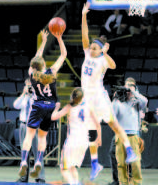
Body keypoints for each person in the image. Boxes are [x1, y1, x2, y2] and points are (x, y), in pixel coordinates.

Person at [82, 2, 138, 181]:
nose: (91, 49)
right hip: (88, 99)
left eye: (94, 48)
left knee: (113, 124)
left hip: (99, 97)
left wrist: (105, 54)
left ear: (100, 50)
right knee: (90, 132)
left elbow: (114, 65)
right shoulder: (87, 54)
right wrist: (84, 16)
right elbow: (84, 35)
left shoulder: (103, 60)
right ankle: (95, 164)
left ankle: (129, 151)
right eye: (91, 47)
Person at [19, 29, 67, 179]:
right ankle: (39, 160)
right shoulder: (51, 72)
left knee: (28, 136)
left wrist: (44, 42)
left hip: (37, 104)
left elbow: (36, 58)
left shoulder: (32, 74)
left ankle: (23, 161)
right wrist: (58, 38)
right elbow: (64, 55)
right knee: (42, 137)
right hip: (50, 107)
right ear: (44, 64)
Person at [51, 87, 102, 184]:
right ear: (83, 97)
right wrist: (99, 138)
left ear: (72, 96)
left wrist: (56, 108)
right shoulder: (88, 107)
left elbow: (53, 117)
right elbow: (98, 125)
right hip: (84, 141)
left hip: (73, 140)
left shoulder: (69, 107)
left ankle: (74, 183)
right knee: (72, 166)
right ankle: (76, 183)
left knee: (64, 167)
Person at [112, 78, 148, 185]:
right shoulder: (118, 101)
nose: (128, 88)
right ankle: (123, 183)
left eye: (131, 85)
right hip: (121, 135)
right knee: (121, 164)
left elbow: (145, 101)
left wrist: (133, 92)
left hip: (133, 135)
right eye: (127, 86)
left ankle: (137, 183)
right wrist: (115, 98)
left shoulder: (137, 102)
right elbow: (112, 115)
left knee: (135, 163)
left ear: (135, 87)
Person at [14, 78, 45, 183]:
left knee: (37, 151)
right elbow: (16, 105)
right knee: (24, 151)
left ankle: (40, 177)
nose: (30, 87)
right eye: (27, 85)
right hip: (24, 125)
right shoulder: (24, 98)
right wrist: (24, 94)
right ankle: (23, 177)